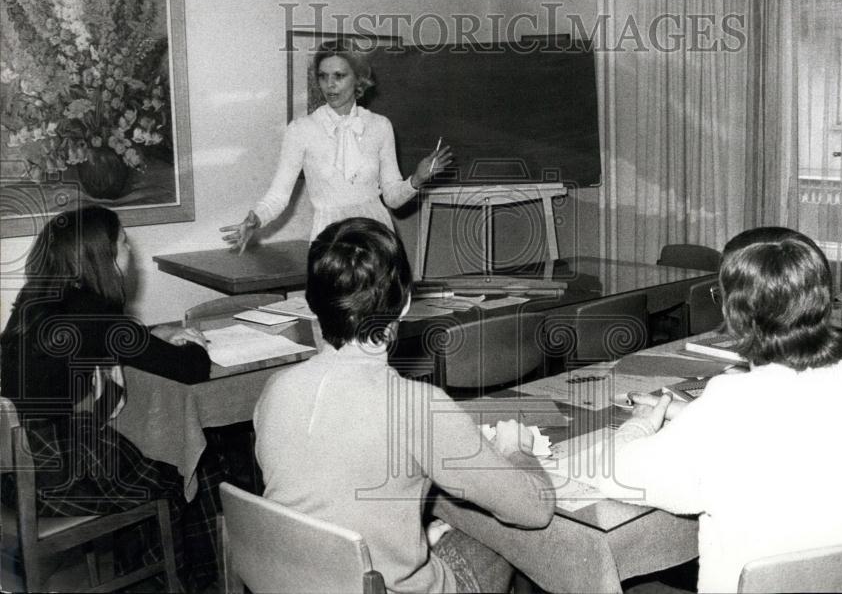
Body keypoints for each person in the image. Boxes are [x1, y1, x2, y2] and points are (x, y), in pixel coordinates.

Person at [598, 231, 842, 593]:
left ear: (734, 313)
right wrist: (694, 416)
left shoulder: (731, 404)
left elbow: (619, 473)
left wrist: (640, 424)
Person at [253, 217, 554, 593]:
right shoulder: (417, 406)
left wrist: (412, 542)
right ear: (407, 302)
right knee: (501, 536)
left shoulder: (275, 390)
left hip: (301, 581)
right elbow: (534, 510)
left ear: (312, 302)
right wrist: (516, 451)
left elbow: (323, 501)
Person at [0, 206, 218, 590]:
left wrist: (151, 336)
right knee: (189, 471)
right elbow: (192, 370)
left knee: (149, 459)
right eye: (122, 243)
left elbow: (111, 341)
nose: (130, 251)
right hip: (53, 476)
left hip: (12, 469)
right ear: (101, 257)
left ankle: (144, 576)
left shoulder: (37, 300)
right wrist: (195, 341)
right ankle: (187, 582)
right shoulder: (96, 315)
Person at [220, 46, 452, 250]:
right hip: (329, 238)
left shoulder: (380, 126)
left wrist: (418, 179)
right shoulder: (301, 130)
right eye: (323, 76)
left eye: (339, 76)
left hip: (377, 235)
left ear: (358, 79)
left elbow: (392, 198)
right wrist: (256, 219)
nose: (330, 85)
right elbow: (278, 196)